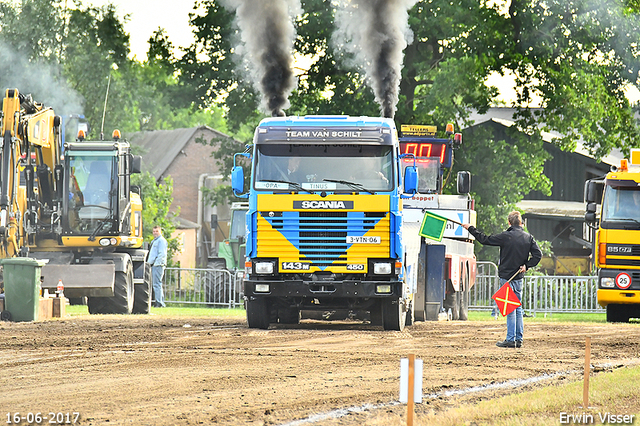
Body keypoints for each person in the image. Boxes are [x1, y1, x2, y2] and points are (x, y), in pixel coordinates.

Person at [462, 211, 542, 348]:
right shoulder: (528, 237)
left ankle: (511, 339)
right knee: (517, 308)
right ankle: (519, 338)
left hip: (506, 277)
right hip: (518, 277)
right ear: (521, 223)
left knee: (510, 308)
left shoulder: (506, 236)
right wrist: (527, 266)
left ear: (509, 222)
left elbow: (484, 239)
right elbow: (538, 255)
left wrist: (470, 228)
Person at [148, 225, 168, 308]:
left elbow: (162, 254)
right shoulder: (155, 241)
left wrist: (157, 263)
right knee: (157, 284)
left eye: (157, 231)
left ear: (160, 232)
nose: (155, 233)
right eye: (154, 231)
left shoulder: (161, 241)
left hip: (158, 265)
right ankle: (160, 301)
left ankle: (159, 302)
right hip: (154, 264)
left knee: (157, 284)